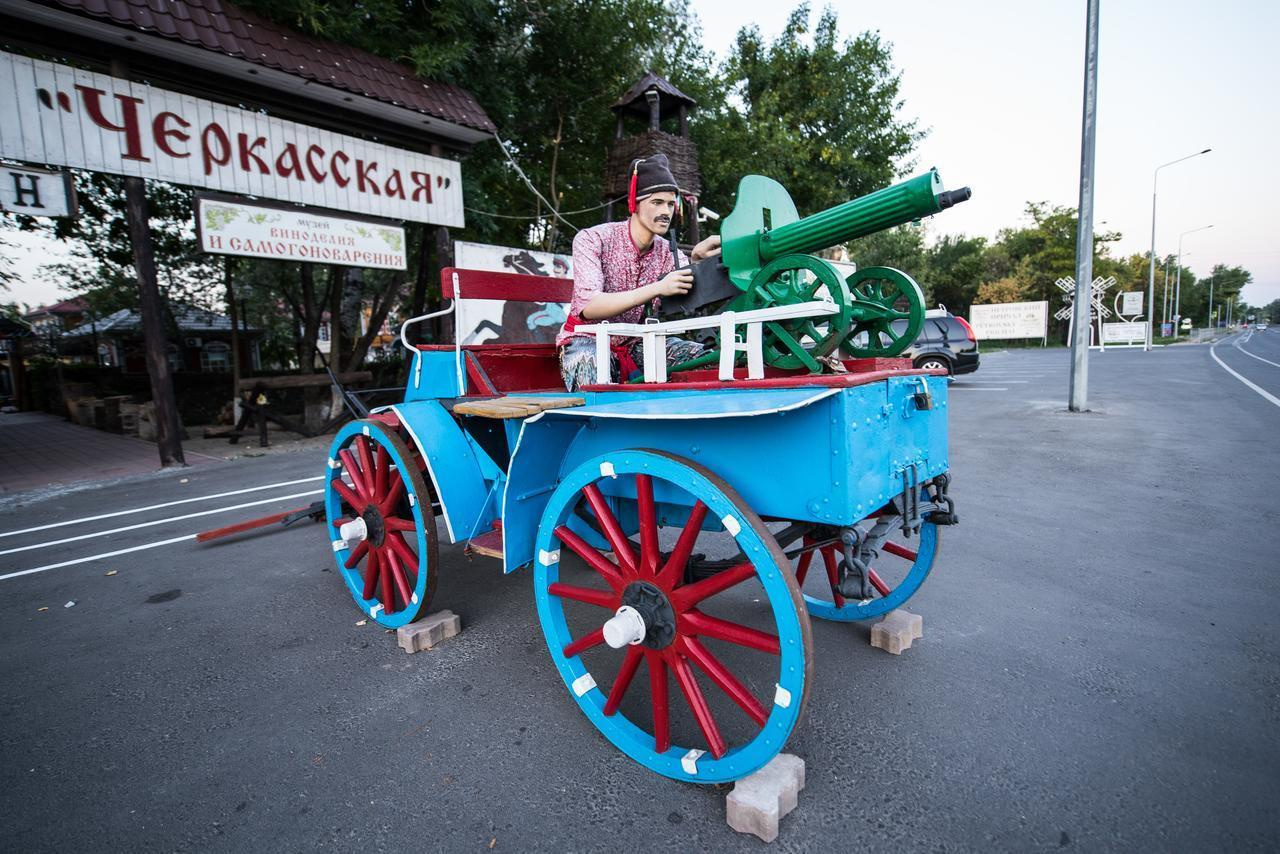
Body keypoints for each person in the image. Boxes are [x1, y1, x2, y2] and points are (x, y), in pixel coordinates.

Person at [556, 153, 721, 391]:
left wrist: (697, 260)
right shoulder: (593, 239)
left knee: (707, 359)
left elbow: (687, 288)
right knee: (593, 371)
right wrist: (657, 288)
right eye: (657, 202)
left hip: (637, 343)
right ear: (635, 203)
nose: (666, 211)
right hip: (587, 339)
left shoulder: (667, 251)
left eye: (670, 204)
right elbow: (589, 306)